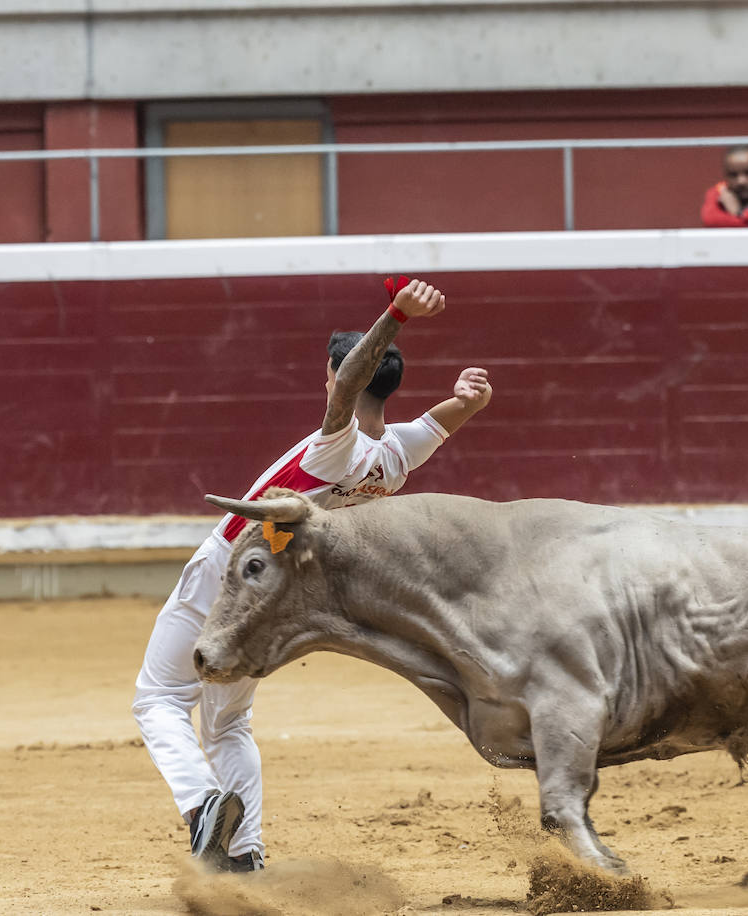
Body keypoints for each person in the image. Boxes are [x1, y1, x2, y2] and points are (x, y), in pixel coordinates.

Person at [131, 277, 492, 874]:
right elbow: (435, 422)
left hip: (229, 571)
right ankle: (242, 854)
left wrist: (396, 314)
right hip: (276, 598)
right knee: (227, 722)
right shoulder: (396, 459)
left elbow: (354, 380)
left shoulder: (337, 446)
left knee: (161, 698)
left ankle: (201, 808)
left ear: (337, 374)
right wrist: (468, 402)